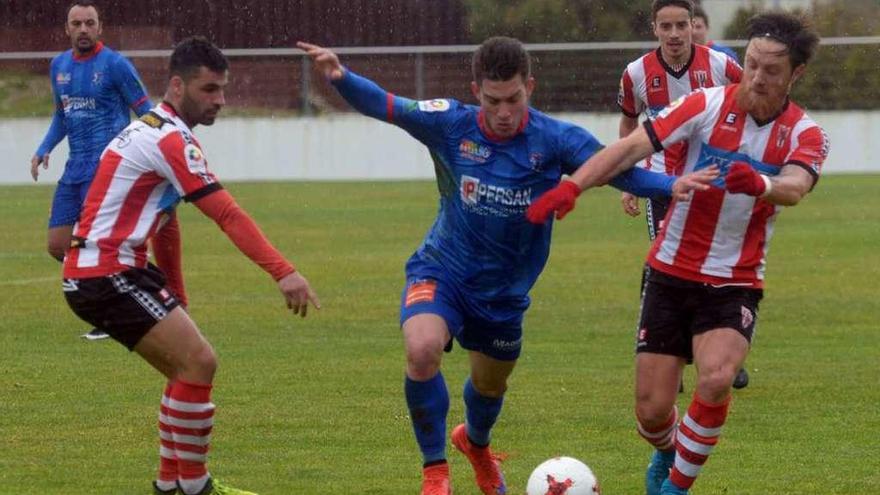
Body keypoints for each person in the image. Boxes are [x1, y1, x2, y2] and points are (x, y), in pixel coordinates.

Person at [297, 37, 716, 495]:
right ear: (476, 90)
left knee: (488, 388)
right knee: (421, 350)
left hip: (503, 295)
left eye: (513, 99)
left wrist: (671, 185)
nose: (503, 112)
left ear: (529, 88)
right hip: (443, 269)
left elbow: (618, 171)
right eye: (493, 100)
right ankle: (435, 472)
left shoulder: (555, 140)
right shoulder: (450, 123)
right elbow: (387, 105)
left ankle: (475, 446)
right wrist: (341, 77)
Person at [528, 11, 827, 495]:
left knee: (716, 378)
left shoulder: (805, 132)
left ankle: (674, 487)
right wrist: (575, 186)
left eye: (771, 70)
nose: (756, 77)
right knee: (650, 413)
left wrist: (763, 183)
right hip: (670, 272)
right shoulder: (705, 104)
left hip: (735, 280)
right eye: (751, 64)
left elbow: (795, 186)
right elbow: (630, 148)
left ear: (795, 74)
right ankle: (667, 451)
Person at [62, 36, 321, 495]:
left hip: (107, 270)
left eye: (222, 89)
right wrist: (284, 271)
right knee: (200, 362)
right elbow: (227, 214)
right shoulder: (169, 138)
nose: (220, 100)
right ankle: (196, 486)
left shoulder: (153, 129)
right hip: (107, 272)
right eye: (209, 89)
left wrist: (177, 295)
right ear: (177, 87)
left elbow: (166, 224)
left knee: (186, 370)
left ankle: (169, 485)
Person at [617, 0, 750, 390]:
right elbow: (628, 121)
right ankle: (663, 357)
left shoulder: (722, 66)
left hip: (713, 182)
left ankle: (723, 353)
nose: (675, 34)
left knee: (718, 268)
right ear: (654, 28)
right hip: (661, 185)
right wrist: (627, 178)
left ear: (694, 26)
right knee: (664, 267)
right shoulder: (636, 73)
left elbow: (751, 104)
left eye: (681, 25)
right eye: (666, 26)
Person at [30, 0, 160, 340]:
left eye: (90, 23)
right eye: (77, 23)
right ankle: (150, 280)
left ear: (100, 27)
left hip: (108, 169)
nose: (83, 29)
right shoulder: (58, 66)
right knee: (58, 246)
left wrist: (156, 154)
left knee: (95, 245)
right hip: (75, 169)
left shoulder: (116, 65)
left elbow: (145, 111)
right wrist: (44, 148)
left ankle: (111, 312)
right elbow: (62, 114)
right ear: (67, 28)